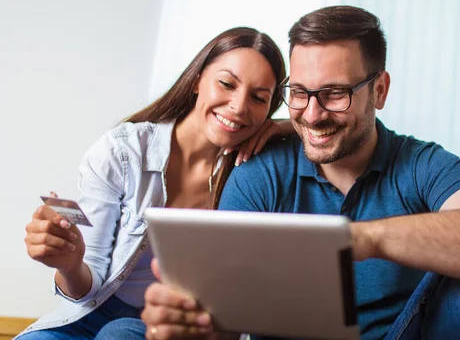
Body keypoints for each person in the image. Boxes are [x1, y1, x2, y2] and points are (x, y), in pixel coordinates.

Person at [139, 6, 460, 340]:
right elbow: (224, 319)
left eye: (335, 93)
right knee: (125, 331)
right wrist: (191, 326)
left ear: (379, 90)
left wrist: (359, 238)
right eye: (300, 94)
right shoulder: (259, 173)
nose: (314, 115)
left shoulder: (420, 164)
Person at [18, 27, 293, 340]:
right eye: (227, 84)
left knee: (119, 334)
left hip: (169, 329)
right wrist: (70, 264)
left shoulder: (255, 173)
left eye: (259, 98)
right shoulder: (124, 151)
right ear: (197, 80)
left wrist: (288, 128)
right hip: (91, 312)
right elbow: (84, 287)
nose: (239, 106)